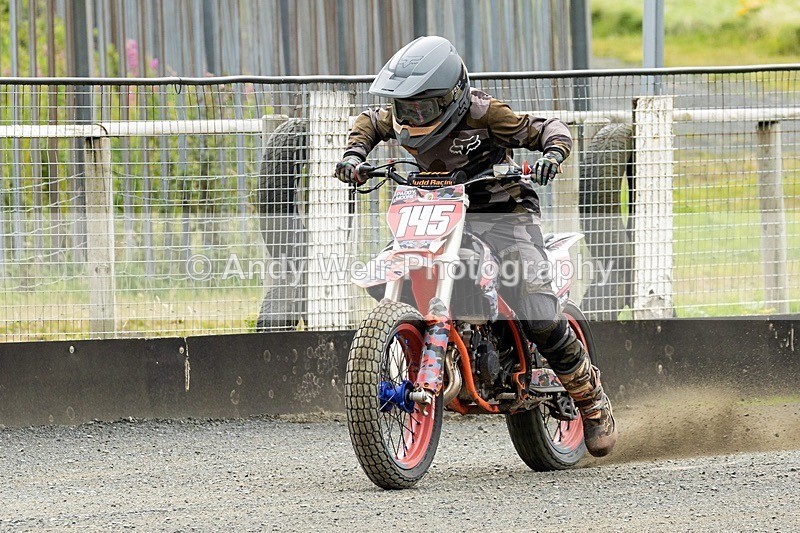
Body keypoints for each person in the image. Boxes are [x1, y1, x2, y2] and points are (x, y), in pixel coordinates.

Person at [334, 36, 616, 457]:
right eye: (403, 107)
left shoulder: (485, 112)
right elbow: (369, 122)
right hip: (438, 207)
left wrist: (552, 155)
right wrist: (354, 156)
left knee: (537, 308)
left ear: (451, 98)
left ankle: (592, 402)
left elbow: (546, 128)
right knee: (396, 270)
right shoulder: (398, 117)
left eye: (421, 107)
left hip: (502, 211)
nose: (410, 118)